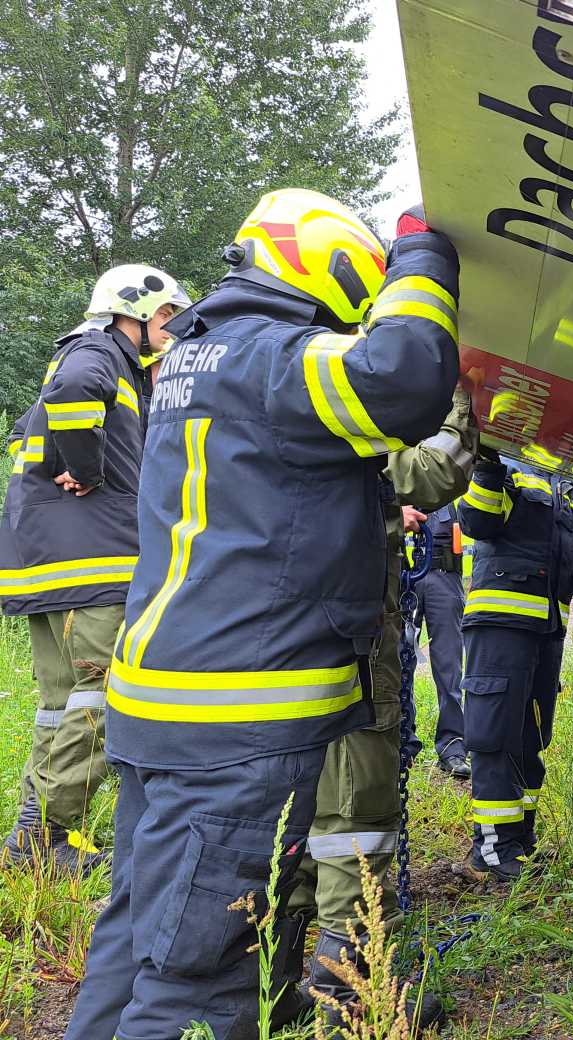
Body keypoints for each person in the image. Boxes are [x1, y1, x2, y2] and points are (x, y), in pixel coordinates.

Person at [64, 188, 461, 1040]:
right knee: (202, 980)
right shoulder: (276, 359)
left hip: (166, 704)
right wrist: (423, 260)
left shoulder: (195, 357)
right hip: (232, 724)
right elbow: (407, 379)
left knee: (140, 936)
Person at [284, 390, 477, 1033]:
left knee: (294, 814)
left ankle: (278, 978)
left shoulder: (236, 385)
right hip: (345, 640)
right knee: (355, 815)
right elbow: (436, 471)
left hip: (272, 643)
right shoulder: (329, 391)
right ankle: (350, 992)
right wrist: (459, 399)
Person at [0, 264, 190, 873]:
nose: (170, 327)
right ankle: (53, 836)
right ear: (130, 312)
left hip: (47, 564)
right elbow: (74, 394)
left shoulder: (103, 361)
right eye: (164, 315)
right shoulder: (95, 353)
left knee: (60, 700)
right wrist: (84, 468)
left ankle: (30, 835)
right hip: (92, 564)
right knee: (103, 693)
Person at [457, 453, 573, 880]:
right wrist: (487, 468)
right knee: (495, 737)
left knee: (533, 736)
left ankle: (520, 841)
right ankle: (492, 848)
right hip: (500, 627)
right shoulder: (508, 469)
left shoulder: (571, 488)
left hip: (547, 630)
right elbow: (477, 522)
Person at [407, 496, 470, 778]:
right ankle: (401, 744)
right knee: (397, 664)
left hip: (446, 579)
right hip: (403, 578)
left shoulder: (455, 483)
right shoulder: (397, 475)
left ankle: (453, 748)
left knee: (449, 669)